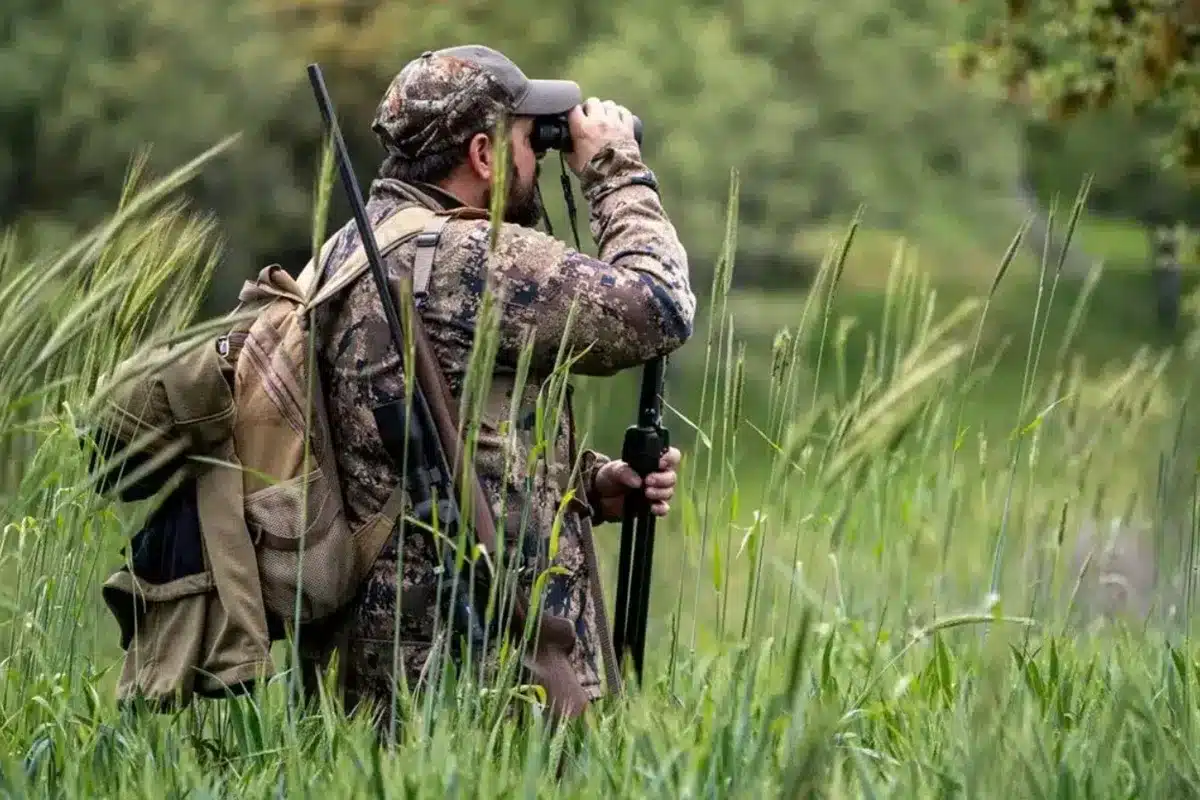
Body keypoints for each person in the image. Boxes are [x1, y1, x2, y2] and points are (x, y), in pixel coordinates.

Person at [297, 44, 695, 723]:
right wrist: (616, 170)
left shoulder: (344, 252)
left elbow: (408, 441)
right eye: (529, 140)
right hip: (484, 671)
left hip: (363, 675)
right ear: (483, 155)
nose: (539, 157)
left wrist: (584, 488)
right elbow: (659, 309)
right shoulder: (472, 256)